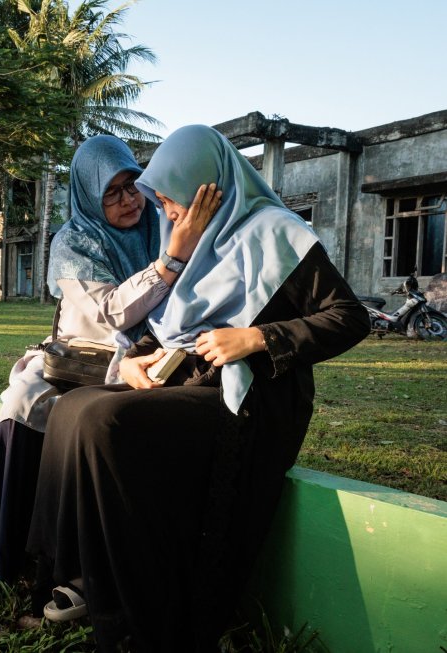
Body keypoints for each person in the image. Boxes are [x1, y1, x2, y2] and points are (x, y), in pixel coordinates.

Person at [25, 125, 370, 651]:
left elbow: (350, 317)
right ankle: (81, 577)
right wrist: (139, 362)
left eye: (172, 203)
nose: (166, 216)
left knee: (102, 421)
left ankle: (131, 604)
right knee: (72, 408)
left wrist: (257, 337)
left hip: (253, 396)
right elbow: (167, 328)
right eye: (161, 204)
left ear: (207, 189)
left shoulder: (277, 233)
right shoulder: (190, 245)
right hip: (191, 381)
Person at [0, 134, 221, 586]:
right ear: (89, 196)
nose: (127, 200)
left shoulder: (160, 224)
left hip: (155, 348)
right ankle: (6, 545)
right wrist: (172, 259)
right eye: (110, 192)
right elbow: (112, 310)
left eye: (132, 184)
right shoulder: (73, 241)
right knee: (26, 398)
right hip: (85, 351)